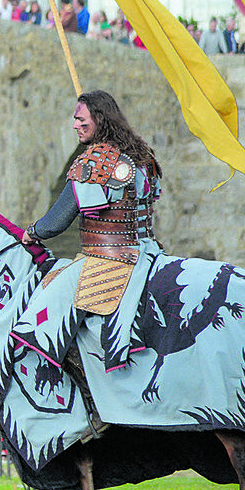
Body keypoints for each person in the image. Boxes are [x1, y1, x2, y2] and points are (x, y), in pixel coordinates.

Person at [22, 92, 161, 366]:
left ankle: (64, 369)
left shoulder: (93, 162)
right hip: (150, 252)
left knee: (49, 298)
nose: (75, 125)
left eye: (80, 119)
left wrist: (32, 232)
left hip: (109, 259)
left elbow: (58, 221)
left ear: (99, 119)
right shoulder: (142, 155)